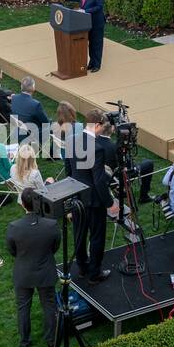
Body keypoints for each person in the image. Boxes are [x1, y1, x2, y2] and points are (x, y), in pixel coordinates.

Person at [6, 188, 60, 347]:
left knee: (23, 307)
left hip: (24, 273)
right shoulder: (51, 225)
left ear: (23, 204)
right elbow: (55, 247)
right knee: (49, 306)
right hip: (45, 272)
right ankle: (51, 340)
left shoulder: (14, 227)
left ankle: (25, 342)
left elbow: (12, 250)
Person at [65, 110, 116, 283]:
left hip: (77, 197)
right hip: (94, 201)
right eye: (102, 126)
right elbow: (99, 181)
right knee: (96, 237)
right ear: (97, 125)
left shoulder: (71, 141)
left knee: (79, 234)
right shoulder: (97, 148)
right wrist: (109, 203)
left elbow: (69, 172)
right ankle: (94, 273)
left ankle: (82, 268)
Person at [55, 0, 106, 72]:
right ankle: (91, 63)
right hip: (85, 21)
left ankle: (96, 65)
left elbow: (99, 7)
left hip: (96, 22)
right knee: (88, 42)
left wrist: (85, 11)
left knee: (96, 43)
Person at [9, 77, 49, 143]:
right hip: (31, 131)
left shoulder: (14, 98)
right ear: (33, 88)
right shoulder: (35, 104)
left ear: (21, 87)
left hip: (18, 128)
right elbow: (45, 122)